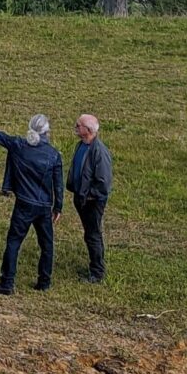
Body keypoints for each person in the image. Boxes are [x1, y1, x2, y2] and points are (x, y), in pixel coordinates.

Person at [0, 113, 63, 294]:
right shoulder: (53, 155)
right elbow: (58, 185)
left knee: (14, 242)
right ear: (47, 132)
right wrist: (58, 207)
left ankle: (7, 282)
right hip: (44, 206)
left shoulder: (17, 145)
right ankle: (44, 281)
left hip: (23, 204)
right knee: (47, 245)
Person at [69, 114, 112, 283]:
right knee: (90, 234)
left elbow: (103, 184)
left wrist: (88, 196)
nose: (75, 127)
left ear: (87, 130)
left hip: (92, 202)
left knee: (93, 235)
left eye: (78, 125)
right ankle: (95, 266)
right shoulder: (82, 145)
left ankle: (97, 272)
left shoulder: (99, 152)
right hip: (82, 199)